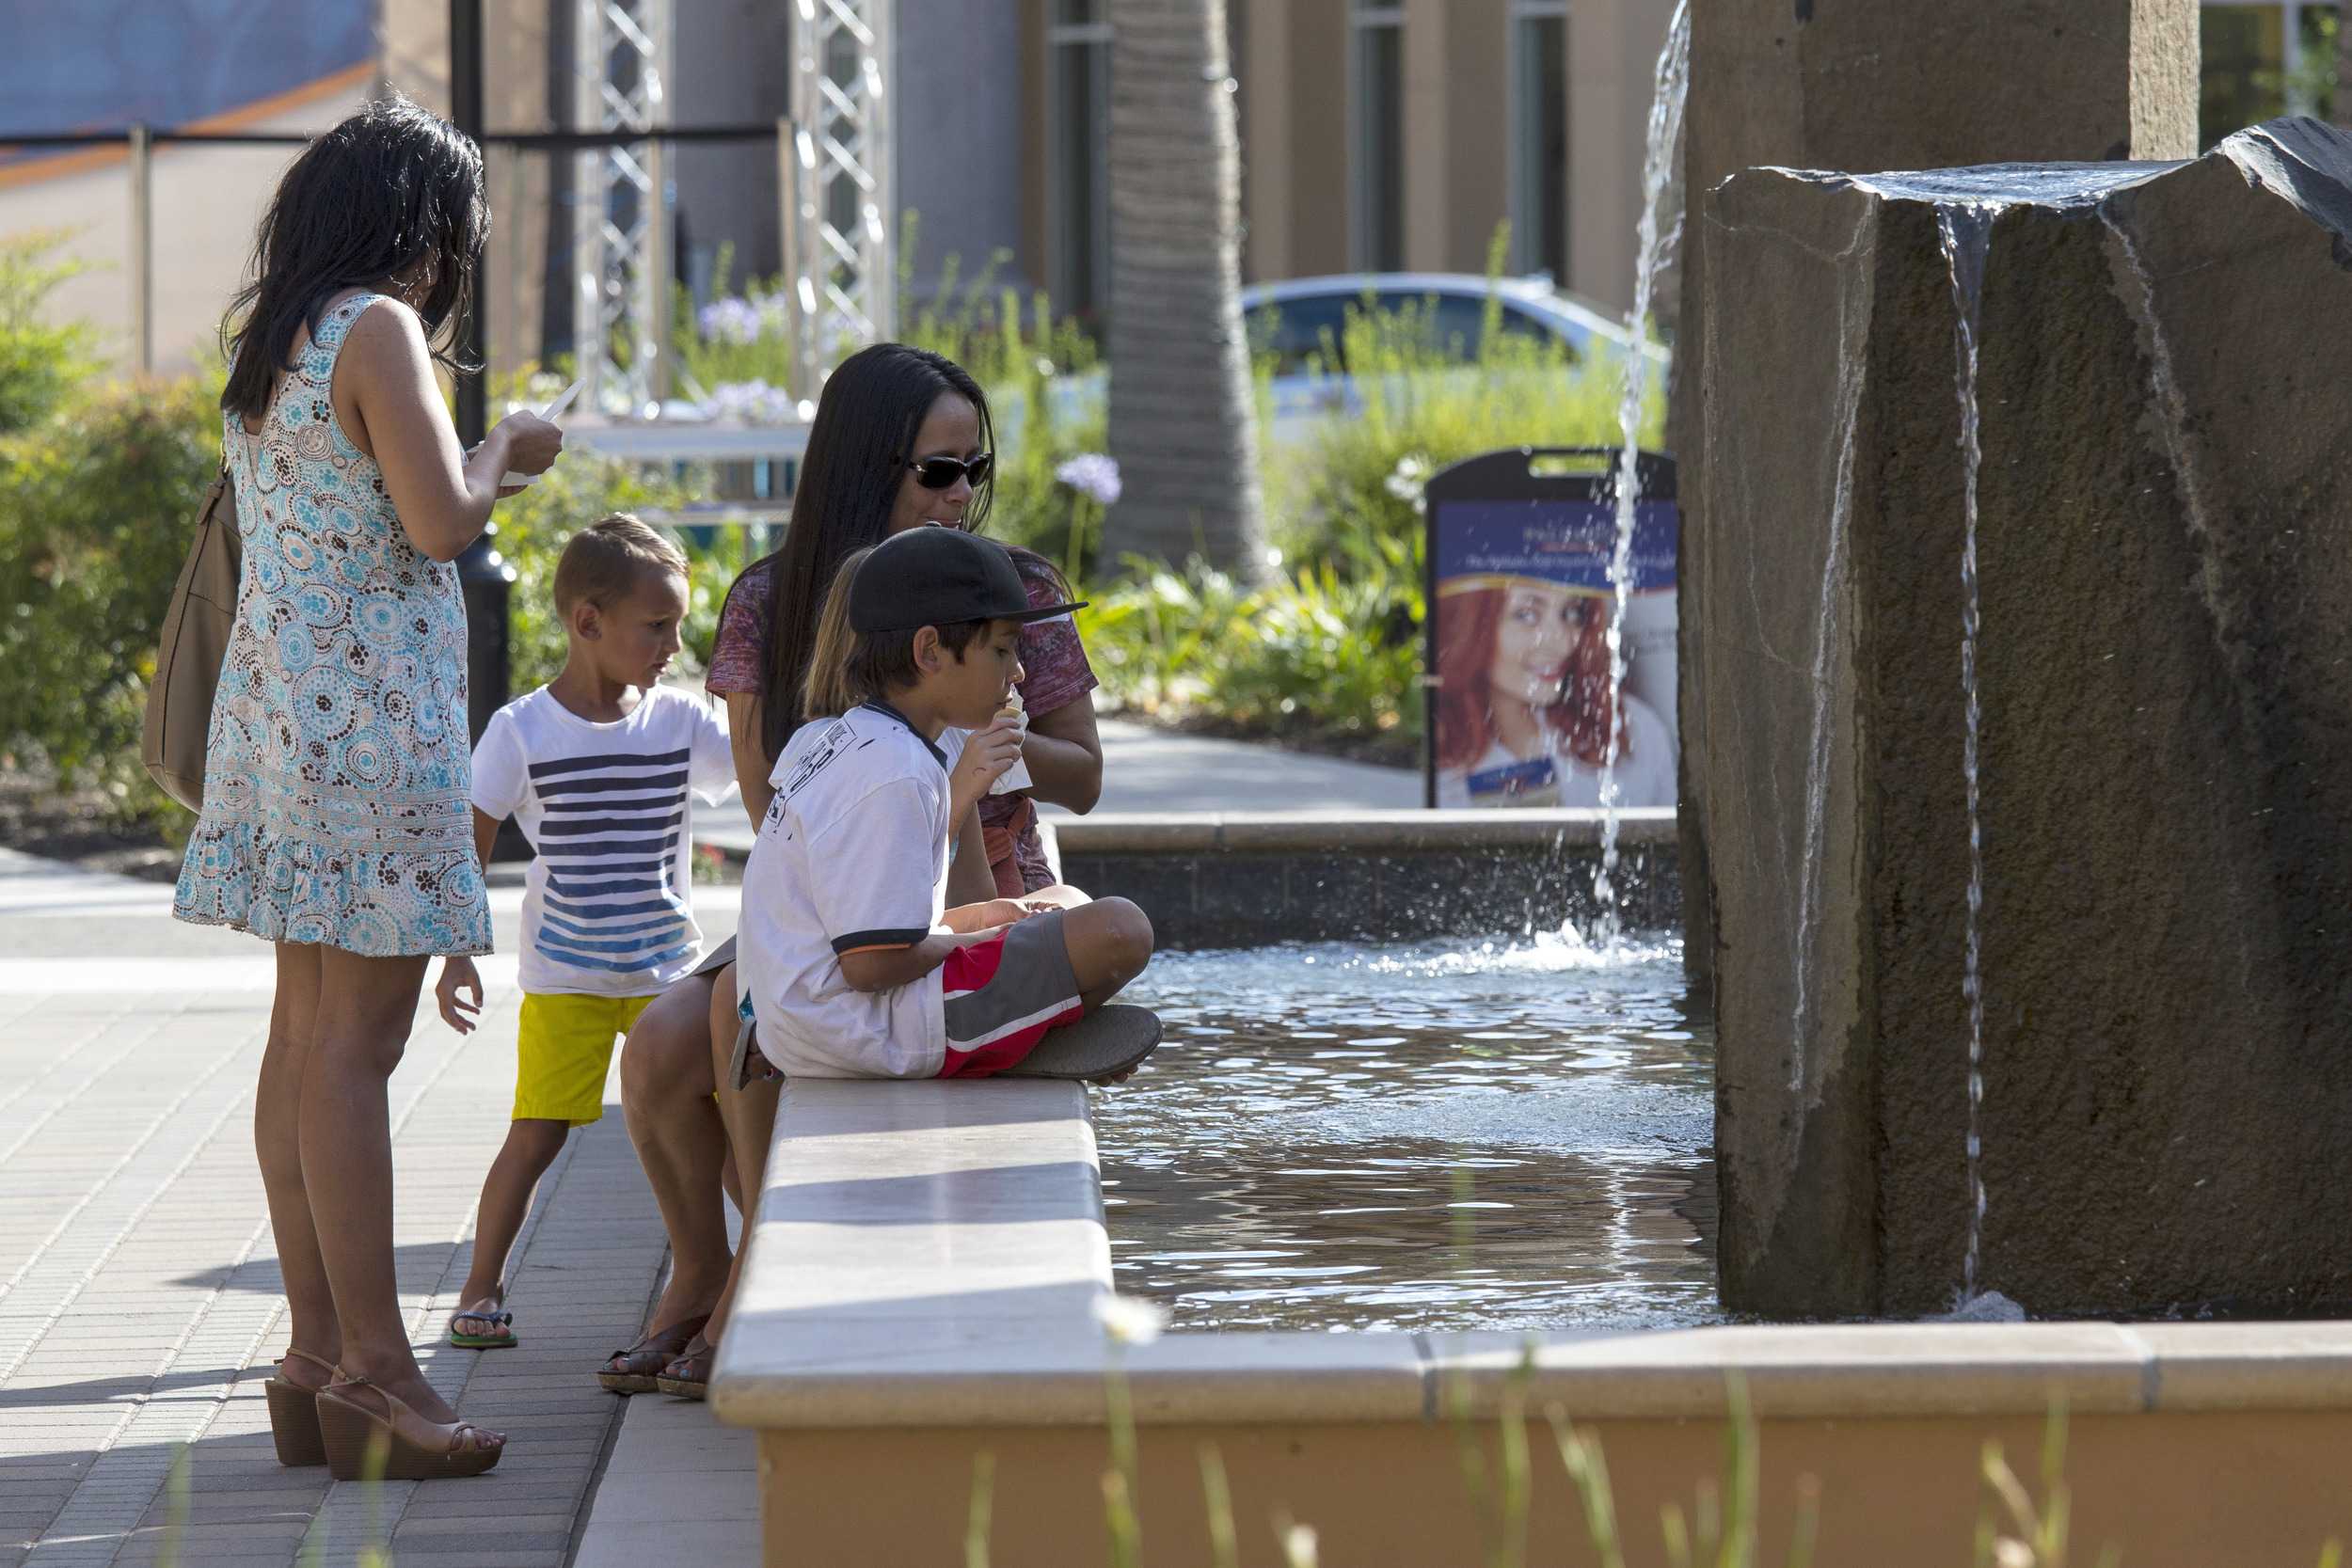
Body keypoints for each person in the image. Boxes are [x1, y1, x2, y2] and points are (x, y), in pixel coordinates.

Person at [172, 97, 563, 1480]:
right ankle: (382, 1373)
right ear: (421, 222)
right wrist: (509, 448)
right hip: (372, 728)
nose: (463, 257)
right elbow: (440, 520)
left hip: (281, 718)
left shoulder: (275, 334)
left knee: (301, 1037)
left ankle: (315, 1350)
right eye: (462, 230)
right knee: (358, 1050)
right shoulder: (382, 328)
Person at [600, 342, 1104, 1394]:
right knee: (655, 1050)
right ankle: (710, 1265)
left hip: (982, 879)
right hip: (837, 896)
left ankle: (749, 1292)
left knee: (751, 1013)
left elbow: (1085, 775)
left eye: (977, 467)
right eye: (937, 470)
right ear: (866, 463)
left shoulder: (1016, 588)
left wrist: (995, 742)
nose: (962, 494)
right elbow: (760, 798)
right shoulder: (773, 601)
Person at [430, 515, 734, 1352]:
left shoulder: (679, 722)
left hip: (670, 977)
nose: (675, 643)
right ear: (587, 622)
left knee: (714, 1121)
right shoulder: (523, 729)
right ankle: (481, 1286)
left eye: (678, 623)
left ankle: (740, 1269)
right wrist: (458, 951)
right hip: (566, 978)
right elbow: (473, 838)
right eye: (657, 626)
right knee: (537, 1133)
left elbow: (760, 766)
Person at [737, 526, 1152, 1079]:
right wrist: (986, 935)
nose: (1019, 672)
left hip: (814, 1020)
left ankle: (1027, 1029)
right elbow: (870, 966)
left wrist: (996, 918)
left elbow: (887, 928)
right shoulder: (895, 771)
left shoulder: (847, 741)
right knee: (1120, 931)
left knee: (1067, 900)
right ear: (929, 650)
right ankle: (1022, 1043)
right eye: (1002, 649)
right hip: (867, 1029)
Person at [1432, 578, 1677, 809]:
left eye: (1572, 613)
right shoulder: (1435, 757)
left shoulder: (1631, 726)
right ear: (1470, 624)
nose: (1562, 643)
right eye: (1526, 615)